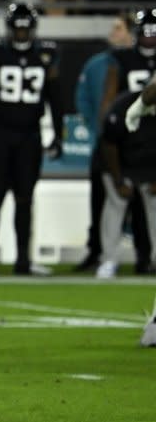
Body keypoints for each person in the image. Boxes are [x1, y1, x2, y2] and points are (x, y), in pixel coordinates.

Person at [0, 2, 63, 276]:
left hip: (30, 136)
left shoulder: (47, 55)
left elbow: (55, 98)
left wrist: (58, 135)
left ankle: (23, 260)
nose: (21, 34)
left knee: (25, 199)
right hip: (0, 134)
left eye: (25, 30)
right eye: (17, 29)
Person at [74, 14, 134, 271]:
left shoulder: (138, 62)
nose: (114, 32)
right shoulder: (98, 64)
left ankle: (144, 256)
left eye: (119, 28)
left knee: (144, 205)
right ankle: (98, 252)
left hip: (141, 144)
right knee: (102, 198)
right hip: (107, 139)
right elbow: (84, 98)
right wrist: (98, 127)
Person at [99, 7, 156, 273]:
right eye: (145, 33)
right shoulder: (121, 61)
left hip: (149, 140)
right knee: (116, 199)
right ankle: (109, 258)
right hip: (127, 135)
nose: (149, 39)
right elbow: (110, 132)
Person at [95, 89, 156, 278]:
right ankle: (109, 260)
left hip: (150, 164)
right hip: (119, 162)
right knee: (116, 204)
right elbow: (109, 144)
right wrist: (118, 179)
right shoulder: (123, 107)